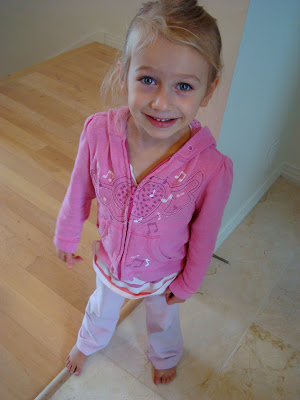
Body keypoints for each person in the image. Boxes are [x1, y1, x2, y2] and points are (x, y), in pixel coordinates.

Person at [54, 0, 233, 386]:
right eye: (148, 79)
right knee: (101, 307)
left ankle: (165, 354)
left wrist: (188, 283)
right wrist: (67, 234)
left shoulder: (211, 169)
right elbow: (78, 189)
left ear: (208, 90)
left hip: (164, 274)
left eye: (183, 86)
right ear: (125, 74)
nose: (161, 102)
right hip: (110, 260)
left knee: (163, 319)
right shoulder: (98, 133)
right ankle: (88, 342)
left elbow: (205, 234)